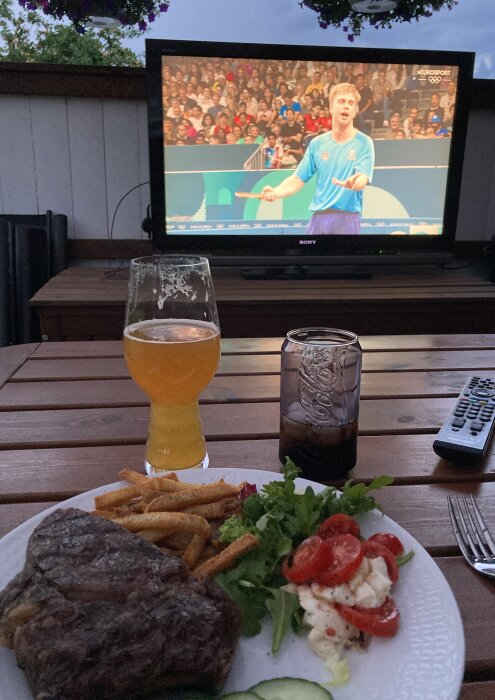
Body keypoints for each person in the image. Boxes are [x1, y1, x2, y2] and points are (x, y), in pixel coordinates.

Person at [261, 83, 375, 235]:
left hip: (347, 221)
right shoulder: (317, 143)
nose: (346, 106)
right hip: (318, 220)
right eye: (341, 101)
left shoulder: (364, 142)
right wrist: (276, 191)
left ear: (355, 111)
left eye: (351, 103)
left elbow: (362, 178)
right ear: (331, 107)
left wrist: (355, 182)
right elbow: (297, 179)